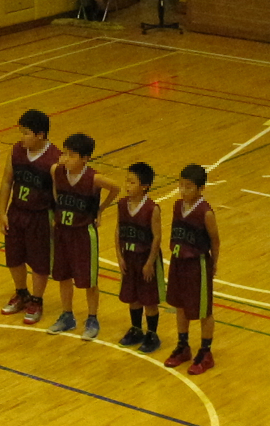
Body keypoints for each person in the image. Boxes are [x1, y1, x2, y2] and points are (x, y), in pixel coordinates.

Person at [47, 133, 120, 339]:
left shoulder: (94, 178)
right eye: (65, 153)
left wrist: (100, 209)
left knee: (89, 280)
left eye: (71, 155)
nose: (66, 158)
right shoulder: (56, 171)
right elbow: (55, 191)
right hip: (62, 231)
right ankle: (67, 315)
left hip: (83, 234)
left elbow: (116, 187)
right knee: (63, 276)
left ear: (85, 158)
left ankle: (92, 318)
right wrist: (58, 209)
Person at [0, 109, 61, 324]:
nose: (22, 137)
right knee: (13, 257)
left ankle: (37, 300)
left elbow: (58, 195)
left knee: (39, 262)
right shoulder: (16, 151)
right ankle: (21, 293)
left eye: (26, 133)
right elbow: (7, 181)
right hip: (16, 212)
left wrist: (57, 221)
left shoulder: (54, 159)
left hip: (40, 216)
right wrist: (2, 212)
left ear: (40, 135)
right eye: (21, 132)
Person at [163, 164, 220, 375]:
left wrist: (214, 263)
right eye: (181, 186)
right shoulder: (177, 206)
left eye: (188, 187)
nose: (183, 190)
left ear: (200, 188)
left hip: (197, 263)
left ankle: (205, 352)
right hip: (178, 261)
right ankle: (183, 345)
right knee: (179, 305)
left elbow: (215, 240)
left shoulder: (206, 213)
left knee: (204, 310)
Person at [115, 163, 164, 354]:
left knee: (149, 299)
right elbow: (118, 230)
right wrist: (119, 256)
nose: (127, 185)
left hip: (145, 259)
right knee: (132, 295)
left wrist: (150, 262)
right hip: (129, 257)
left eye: (132, 182)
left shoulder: (152, 209)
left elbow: (157, 237)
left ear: (144, 186)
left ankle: (152, 334)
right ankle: (136, 329)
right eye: (127, 181)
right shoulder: (122, 204)